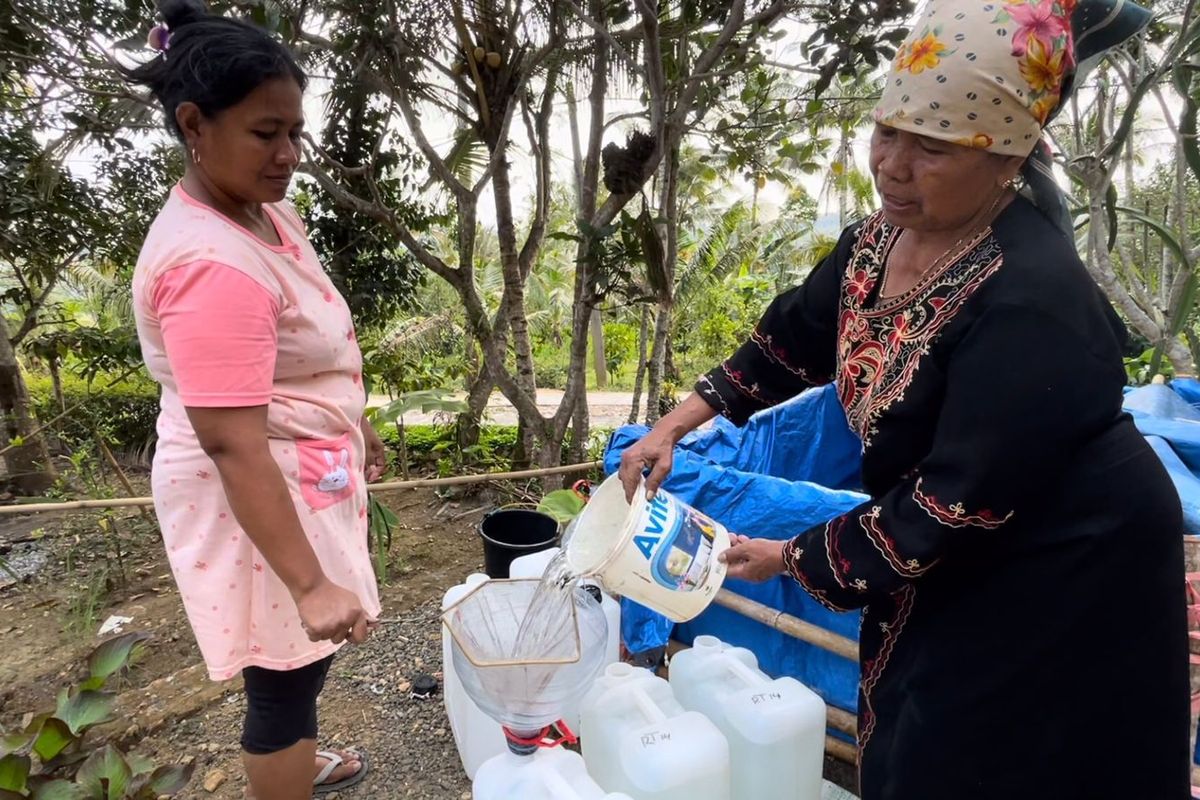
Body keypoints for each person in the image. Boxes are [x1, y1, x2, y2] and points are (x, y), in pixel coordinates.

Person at [619, 2, 1191, 798]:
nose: (891, 164)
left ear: (1007, 157)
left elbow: (954, 500)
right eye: (887, 132)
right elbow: (793, 337)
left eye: (931, 148)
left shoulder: (1033, 304)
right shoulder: (880, 240)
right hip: (948, 529)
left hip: (1067, 555)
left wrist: (789, 558)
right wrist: (673, 427)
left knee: (1010, 747)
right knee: (919, 718)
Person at [123, 1, 385, 797]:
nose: (289, 155)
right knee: (283, 671)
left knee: (302, 662)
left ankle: (297, 755)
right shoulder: (212, 266)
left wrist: (354, 420)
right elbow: (233, 442)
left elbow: (303, 356)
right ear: (194, 123)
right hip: (254, 491)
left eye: (295, 132)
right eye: (266, 134)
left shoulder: (264, 213)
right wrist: (309, 582)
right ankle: (286, 768)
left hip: (297, 467)